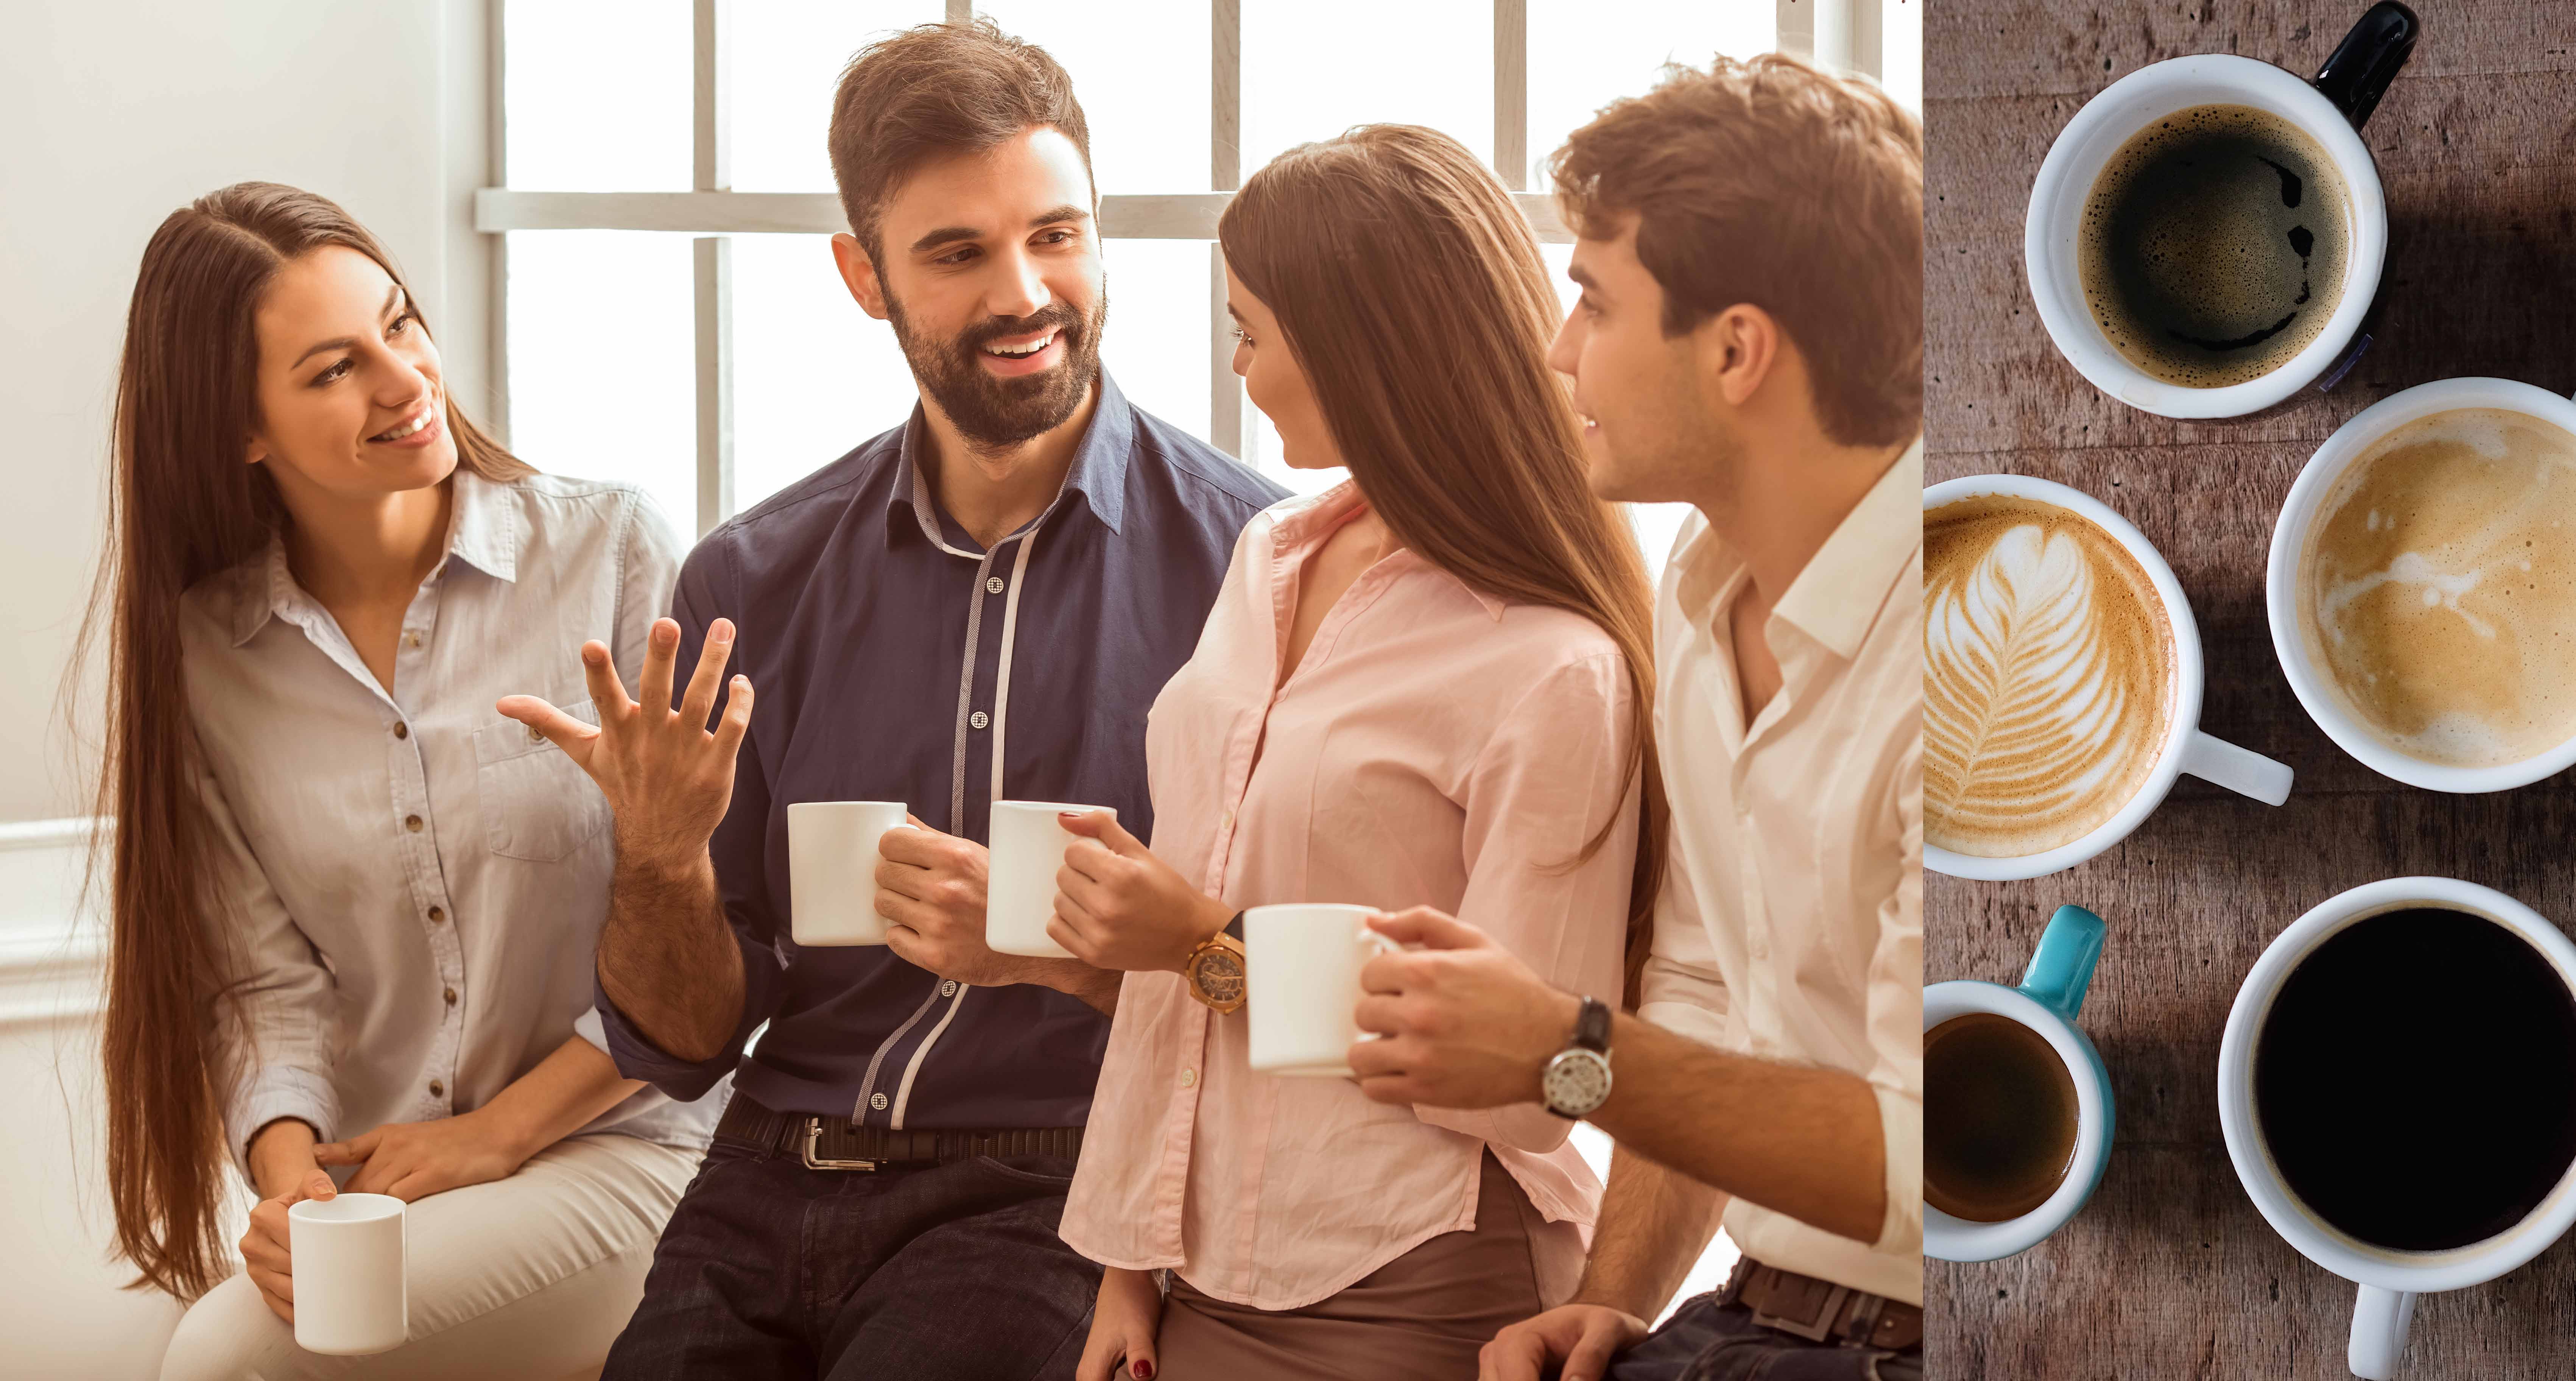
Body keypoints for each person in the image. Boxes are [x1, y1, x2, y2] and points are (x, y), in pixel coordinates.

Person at [497, 21, 1286, 1380]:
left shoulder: (1254, 573)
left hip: (1047, 1191)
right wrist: (661, 855)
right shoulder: (755, 574)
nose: (1028, 291)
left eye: (1058, 234)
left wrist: (1062, 951)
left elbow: (1288, 988)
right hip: (761, 1172)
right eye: (958, 252)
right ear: (863, 275)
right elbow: (684, 1043)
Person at [1037, 125, 1667, 1381]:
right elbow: (1191, 914)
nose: (1240, 367)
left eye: (1255, 333)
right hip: (1195, 1271)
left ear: (1359, 350)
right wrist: (1124, 1267)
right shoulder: (1268, 557)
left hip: (1414, 1280)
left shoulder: (1550, 665)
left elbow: (1527, 1080)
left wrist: (1200, 945)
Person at [1343, 55, 1925, 1381]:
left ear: (1736, 350)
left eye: (1593, 302)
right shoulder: (1701, 586)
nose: (1558, 351)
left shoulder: (1963, 656)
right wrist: (1611, 1303)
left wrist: (1567, 1053)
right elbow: (1709, 996)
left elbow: (1934, 1156)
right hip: (1755, 1316)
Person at [86, 182, 715, 1381]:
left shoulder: (612, 550)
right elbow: (261, 982)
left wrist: (495, 1136)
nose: (403, 378)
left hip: (629, 1151)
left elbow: (716, 916)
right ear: (239, 429)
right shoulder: (207, 655)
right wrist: (293, 1194)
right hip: (387, 1184)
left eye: (402, 322)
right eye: (332, 369)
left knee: (227, 1360)